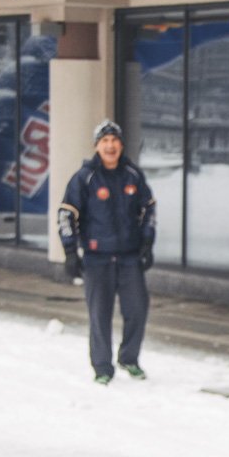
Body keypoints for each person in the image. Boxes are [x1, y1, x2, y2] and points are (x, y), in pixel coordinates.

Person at [58, 120, 157, 385]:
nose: (110, 146)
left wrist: (147, 243)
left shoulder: (133, 176)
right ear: (97, 146)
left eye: (115, 141)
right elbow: (67, 213)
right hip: (96, 258)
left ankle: (129, 358)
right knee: (99, 314)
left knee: (137, 309)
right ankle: (102, 367)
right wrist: (70, 252)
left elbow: (149, 209)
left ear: (121, 145)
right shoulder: (85, 177)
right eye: (105, 141)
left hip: (129, 257)